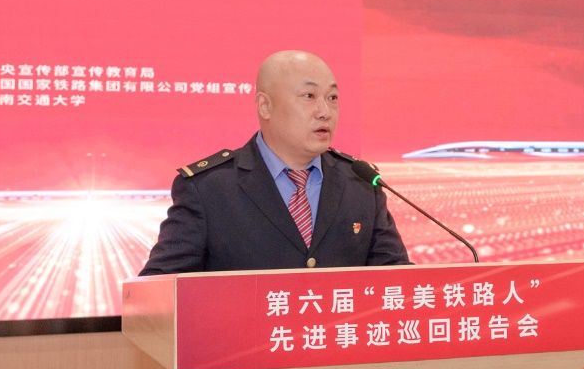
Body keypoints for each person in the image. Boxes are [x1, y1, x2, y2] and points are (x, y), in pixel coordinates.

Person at [139, 50, 410, 275]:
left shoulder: (360, 184)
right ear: (265, 106)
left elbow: (399, 281)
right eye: (309, 96)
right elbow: (158, 291)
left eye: (332, 98)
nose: (325, 112)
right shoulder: (209, 189)